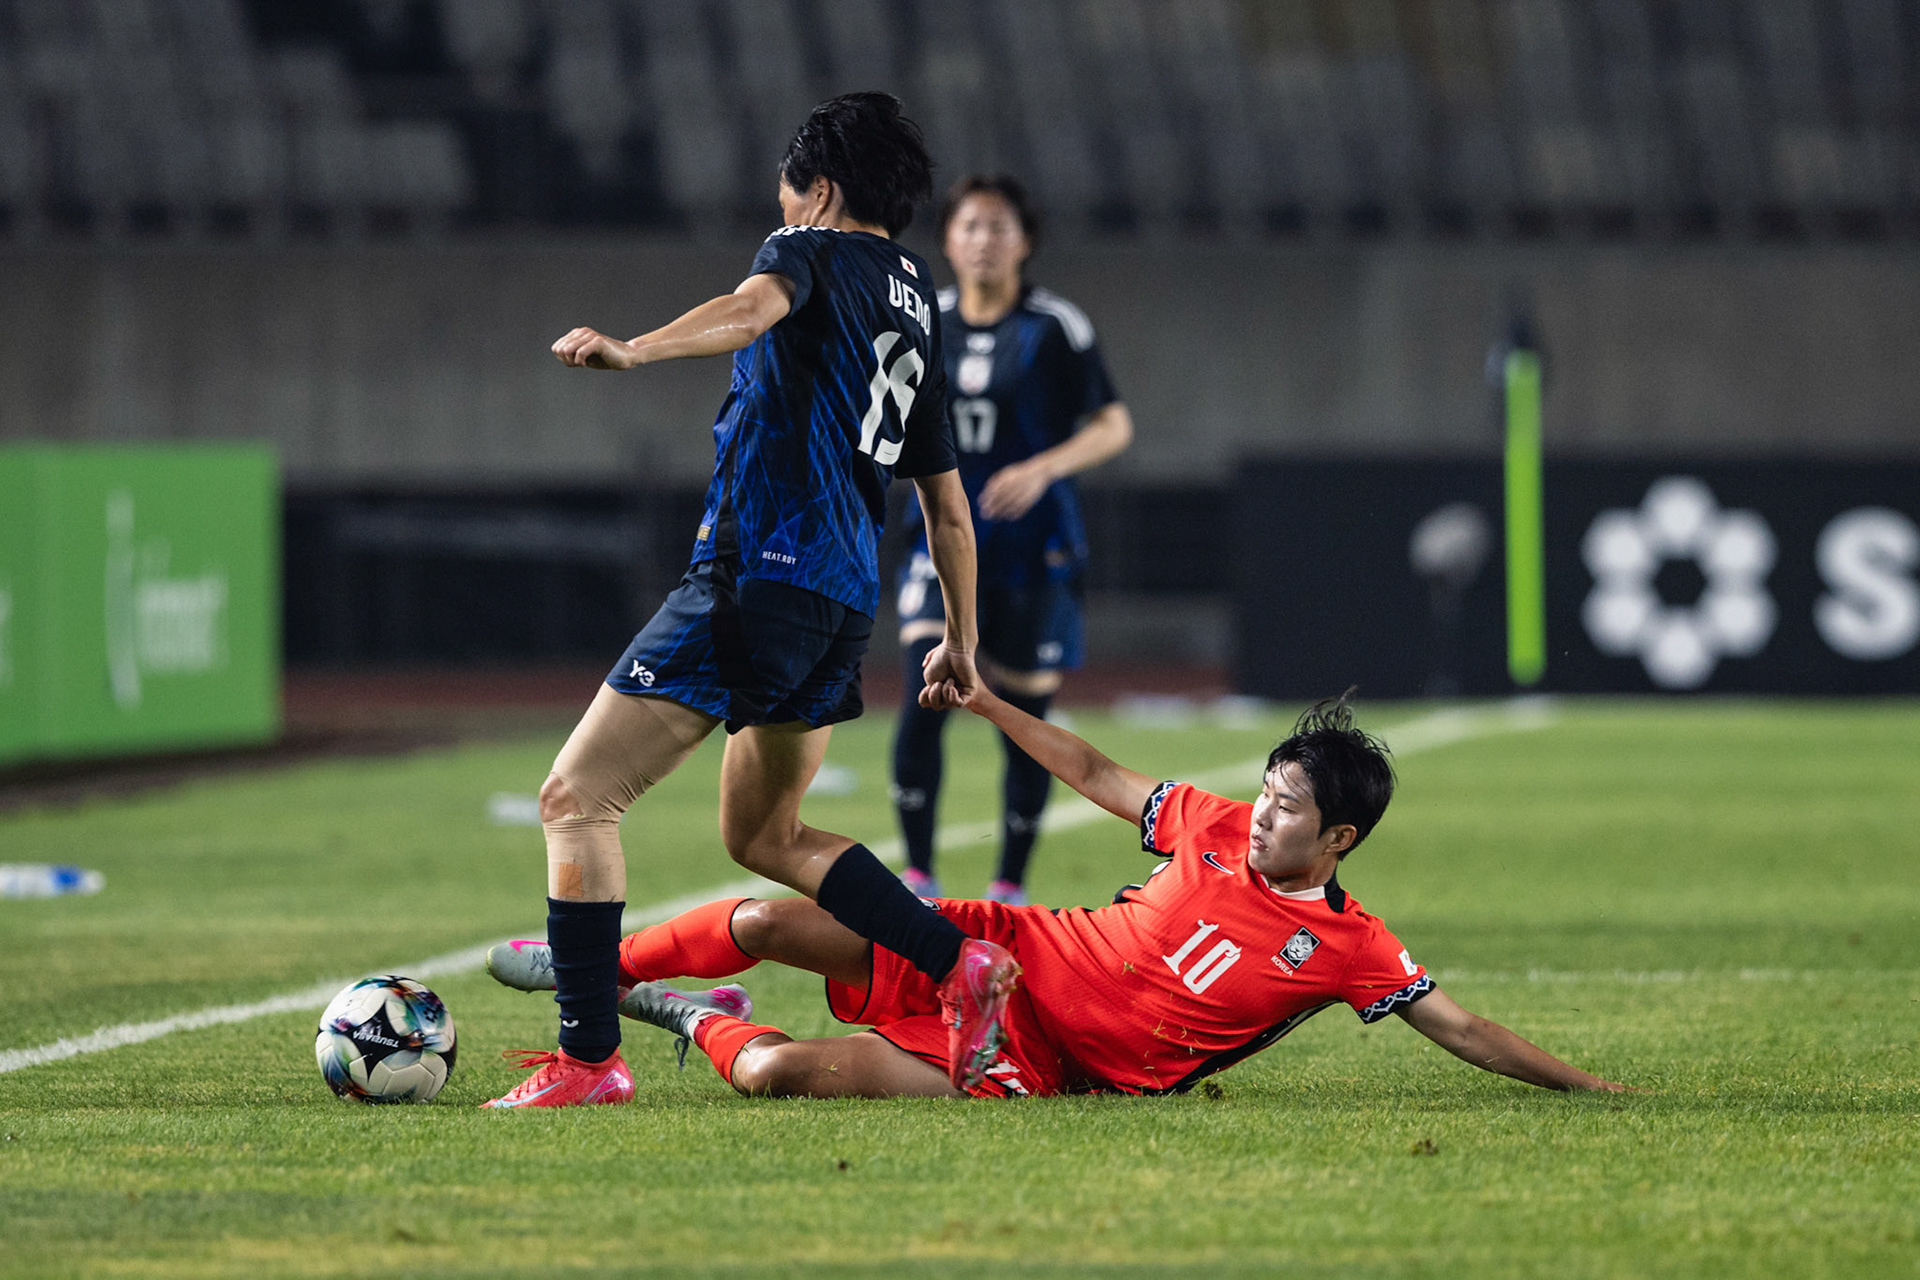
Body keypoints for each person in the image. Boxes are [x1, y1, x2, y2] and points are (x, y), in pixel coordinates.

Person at [483, 93, 1019, 1110]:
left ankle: (589, 1060)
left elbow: (752, 308)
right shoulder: (917, 294)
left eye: (786, 189)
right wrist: (962, 640)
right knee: (767, 835)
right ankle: (961, 964)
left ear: (818, 190)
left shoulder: (802, 246)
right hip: (841, 600)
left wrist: (634, 349)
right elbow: (947, 505)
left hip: (757, 575)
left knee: (576, 797)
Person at [488, 691, 1628, 1098]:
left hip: (1032, 1060)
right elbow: (1093, 770)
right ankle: (592, 982)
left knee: (783, 1071)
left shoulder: (1348, 946)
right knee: (759, 921)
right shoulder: (1213, 825)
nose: (1263, 810)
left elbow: (1459, 1024)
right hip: (995, 950)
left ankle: (695, 1018)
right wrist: (986, 703)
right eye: (1268, 788)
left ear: (1339, 837)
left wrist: (1589, 1081)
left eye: (1289, 806)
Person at [891, 176, 1134, 906]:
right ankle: (918, 876)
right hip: (937, 542)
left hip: (1033, 549)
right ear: (948, 241)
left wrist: (1042, 467)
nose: (983, 241)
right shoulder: (921, 319)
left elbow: (1113, 423)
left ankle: (1008, 887)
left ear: (1024, 243)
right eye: (970, 227)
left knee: (1022, 718)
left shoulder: (1056, 325)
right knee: (924, 690)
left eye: (999, 228)